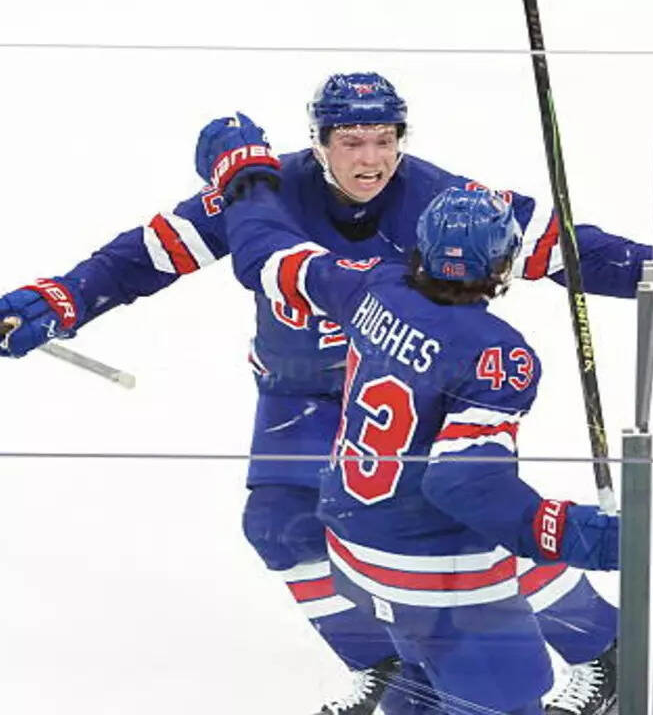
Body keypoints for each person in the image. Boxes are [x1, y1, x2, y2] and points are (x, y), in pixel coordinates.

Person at [0, 73, 653, 715]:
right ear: (319, 141)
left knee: (453, 521)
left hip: (413, 393)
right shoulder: (265, 188)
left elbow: (572, 250)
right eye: (351, 140)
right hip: (302, 390)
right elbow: (139, 259)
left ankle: (598, 646)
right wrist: (60, 300)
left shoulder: (436, 195)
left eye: (385, 138)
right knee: (279, 526)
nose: (370, 157)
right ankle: (399, 668)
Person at [208, 108, 623, 714]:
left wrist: (243, 178)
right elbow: (469, 485)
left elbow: (267, 254)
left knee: (424, 689)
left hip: (362, 548)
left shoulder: (369, 286)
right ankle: (587, 645)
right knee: (499, 691)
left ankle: (594, 647)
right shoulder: (497, 351)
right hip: (435, 569)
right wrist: (570, 532)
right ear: (505, 265)